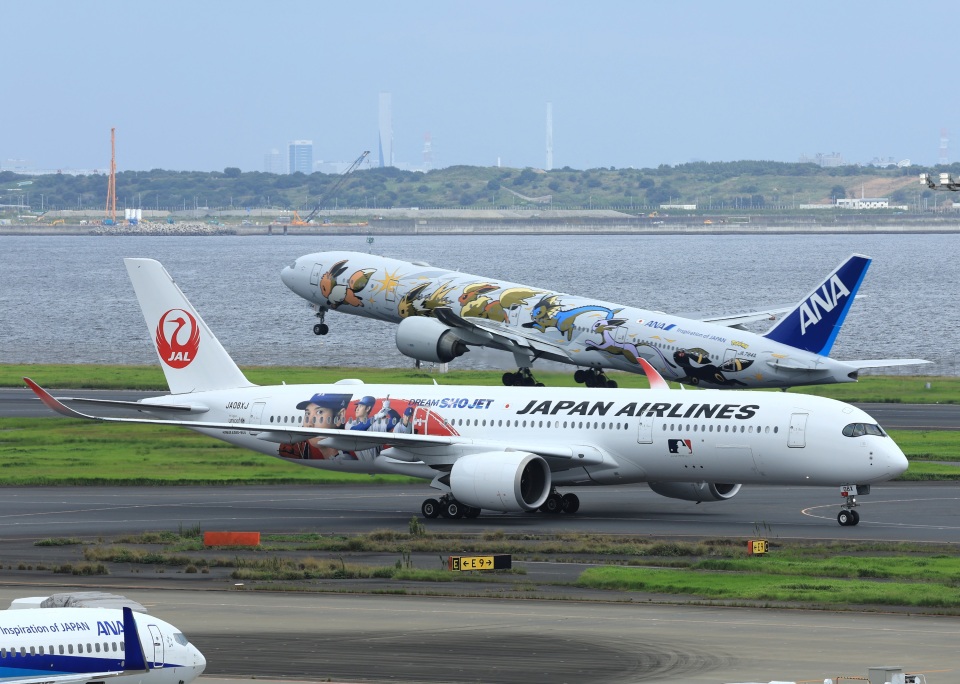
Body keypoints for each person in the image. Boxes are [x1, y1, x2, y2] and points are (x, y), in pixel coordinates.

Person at [279, 392, 352, 460]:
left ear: (339, 417)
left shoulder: (346, 460)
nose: (310, 424)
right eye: (307, 413)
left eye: (319, 412)